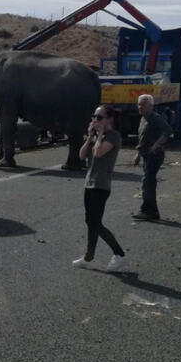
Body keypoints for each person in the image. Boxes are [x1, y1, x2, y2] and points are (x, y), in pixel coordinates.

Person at [72, 104, 126, 272]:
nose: (95, 120)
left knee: (95, 222)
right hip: (89, 183)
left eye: (99, 117)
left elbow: (98, 153)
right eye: (94, 117)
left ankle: (119, 254)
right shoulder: (96, 136)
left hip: (101, 184)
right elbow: (81, 155)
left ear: (109, 120)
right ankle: (89, 256)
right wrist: (89, 137)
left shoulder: (113, 136)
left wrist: (100, 134)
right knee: (91, 222)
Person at [132, 94, 172, 221]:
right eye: (139, 104)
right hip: (145, 154)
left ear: (150, 106)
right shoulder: (143, 119)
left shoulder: (156, 118)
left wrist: (156, 145)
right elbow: (142, 139)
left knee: (147, 182)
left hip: (155, 156)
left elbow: (168, 131)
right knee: (148, 183)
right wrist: (138, 154)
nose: (140, 107)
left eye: (143, 104)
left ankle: (148, 211)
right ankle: (152, 211)